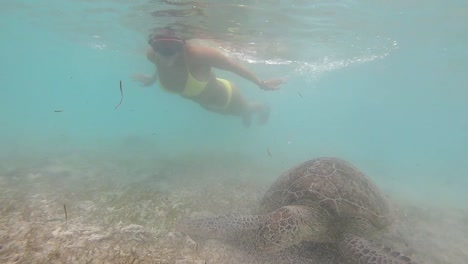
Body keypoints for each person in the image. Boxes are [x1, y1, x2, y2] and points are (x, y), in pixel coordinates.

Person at [133, 29, 283, 127]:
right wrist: (151, 79)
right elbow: (161, 67)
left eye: (172, 48)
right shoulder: (152, 54)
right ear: (153, 46)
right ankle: (247, 113)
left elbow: (232, 65)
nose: (166, 53)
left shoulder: (198, 55)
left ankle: (261, 108)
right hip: (205, 102)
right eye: (160, 48)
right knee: (237, 115)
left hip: (226, 97)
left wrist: (260, 82)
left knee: (243, 110)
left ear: (183, 45)